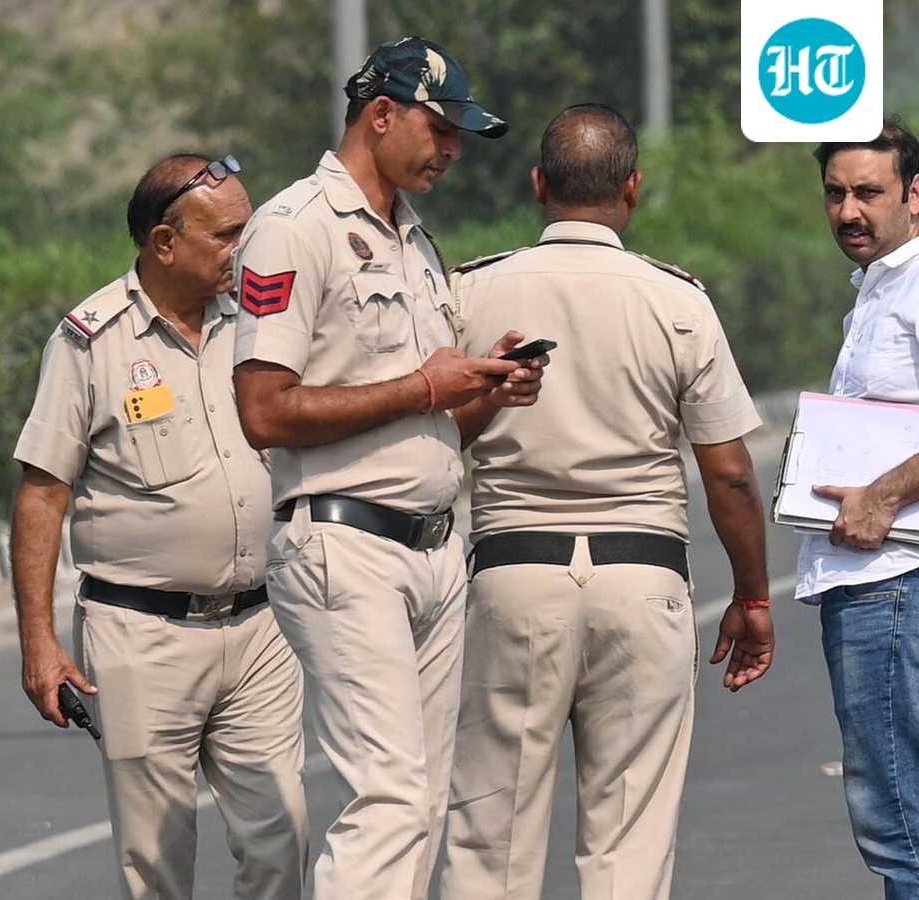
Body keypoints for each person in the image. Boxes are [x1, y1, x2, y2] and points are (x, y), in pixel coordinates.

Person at [435, 103, 776, 900]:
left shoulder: (470, 292)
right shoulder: (677, 300)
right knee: (628, 844)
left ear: (538, 184)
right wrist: (753, 595)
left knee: (491, 841)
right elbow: (728, 473)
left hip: (512, 574)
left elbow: (433, 438)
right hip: (641, 576)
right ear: (633, 188)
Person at [231, 36, 543, 900]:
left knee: (424, 803)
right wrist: (422, 385)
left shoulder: (415, 241)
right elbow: (264, 411)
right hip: (343, 546)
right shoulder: (294, 229)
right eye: (440, 131)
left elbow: (433, 419)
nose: (450, 152)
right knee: (391, 797)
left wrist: (486, 387)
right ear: (380, 115)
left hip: (435, 548)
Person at [10, 154, 308, 900]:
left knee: (282, 840)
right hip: (142, 635)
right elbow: (43, 494)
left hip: (261, 629)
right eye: (227, 233)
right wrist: (39, 643)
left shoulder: (260, 327)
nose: (245, 248)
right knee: (156, 864)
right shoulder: (91, 341)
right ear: (165, 243)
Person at [799, 115, 919, 899]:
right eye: (837, 193)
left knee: (899, 822)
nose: (850, 210)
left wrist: (883, 494)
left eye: (870, 193)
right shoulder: (879, 291)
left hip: (895, 582)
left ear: (917, 194)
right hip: (873, 581)